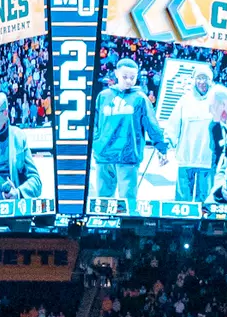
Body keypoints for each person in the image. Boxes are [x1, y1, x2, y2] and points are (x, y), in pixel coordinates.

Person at [92, 58, 167, 208]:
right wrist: (96, 142)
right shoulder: (103, 96)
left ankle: (125, 230)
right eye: (125, 77)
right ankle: (102, 229)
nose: (128, 81)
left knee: (127, 202)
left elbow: (152, 125)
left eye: (132, 77)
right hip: (104, 155)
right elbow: (94, 124)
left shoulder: (140, 99)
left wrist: (161, 148)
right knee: (103, 202)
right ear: (116, 74)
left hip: (128, 157)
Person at [0, 92, 42, 201]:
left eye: (0, 112)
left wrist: (18, 192)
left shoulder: (19, 137)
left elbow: (36, 182)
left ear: (6, 113)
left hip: (14, 208)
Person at [170, 65, 218, 202]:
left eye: (205, 78)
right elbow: (173, 124)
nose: (202, 82)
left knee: (205, 200)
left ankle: (204, 224)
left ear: (211, 80)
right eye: (199, 78)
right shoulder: (185, 100)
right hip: (186, 156)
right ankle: (181, 223)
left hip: (207, 158)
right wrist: (167, 142)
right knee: (183, 199)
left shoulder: (216, 100)